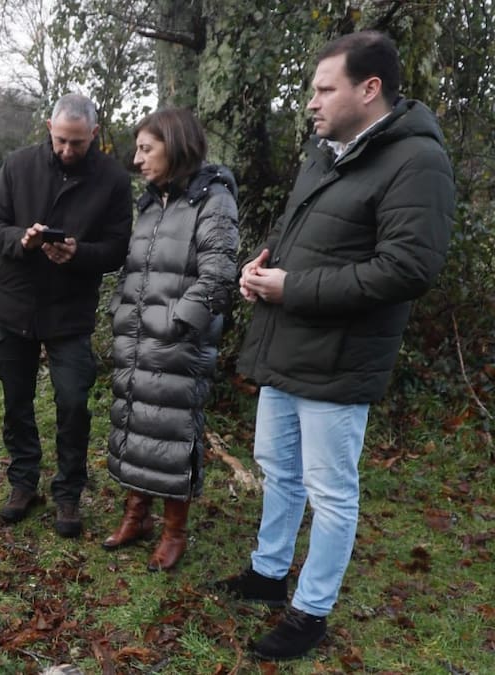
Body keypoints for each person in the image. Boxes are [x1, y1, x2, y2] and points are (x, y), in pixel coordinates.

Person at [218, 31, 454, 660]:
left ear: (369, 89)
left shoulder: (417, 161)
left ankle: (310, 612)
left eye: (325, 89)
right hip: (287, 344)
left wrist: (292, 287)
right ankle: (268, 574)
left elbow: (407, 269)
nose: (312, 101)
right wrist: (262, 266)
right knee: (278, 468)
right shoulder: (326, 153)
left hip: (342, 358)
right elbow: (299, 233)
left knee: (330, 491)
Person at [0, 93, 133, 538]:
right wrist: (21, 241)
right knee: (16, 400)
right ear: (49, 127)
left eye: (77, 143)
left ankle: (69, 492)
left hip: (70, 310)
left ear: (94, 134)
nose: (66, 150)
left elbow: (118, 247)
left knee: (74, 402)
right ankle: (23, 482)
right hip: (16, 304)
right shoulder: (18, 165)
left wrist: (80, 253)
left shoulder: (113, 179)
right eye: (61, 140)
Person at [102, 108, 239, 570]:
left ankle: (174, 531)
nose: (137, 159)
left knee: (173, 432)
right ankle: (136, 515)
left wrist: (177, 324)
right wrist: (121, 310)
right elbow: (135, 269)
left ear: (175, 145)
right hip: (136, 338)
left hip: (178, 344)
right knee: (135, 424)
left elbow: (218, 275)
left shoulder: (213, 200)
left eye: (147, 149)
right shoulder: (150, 203)